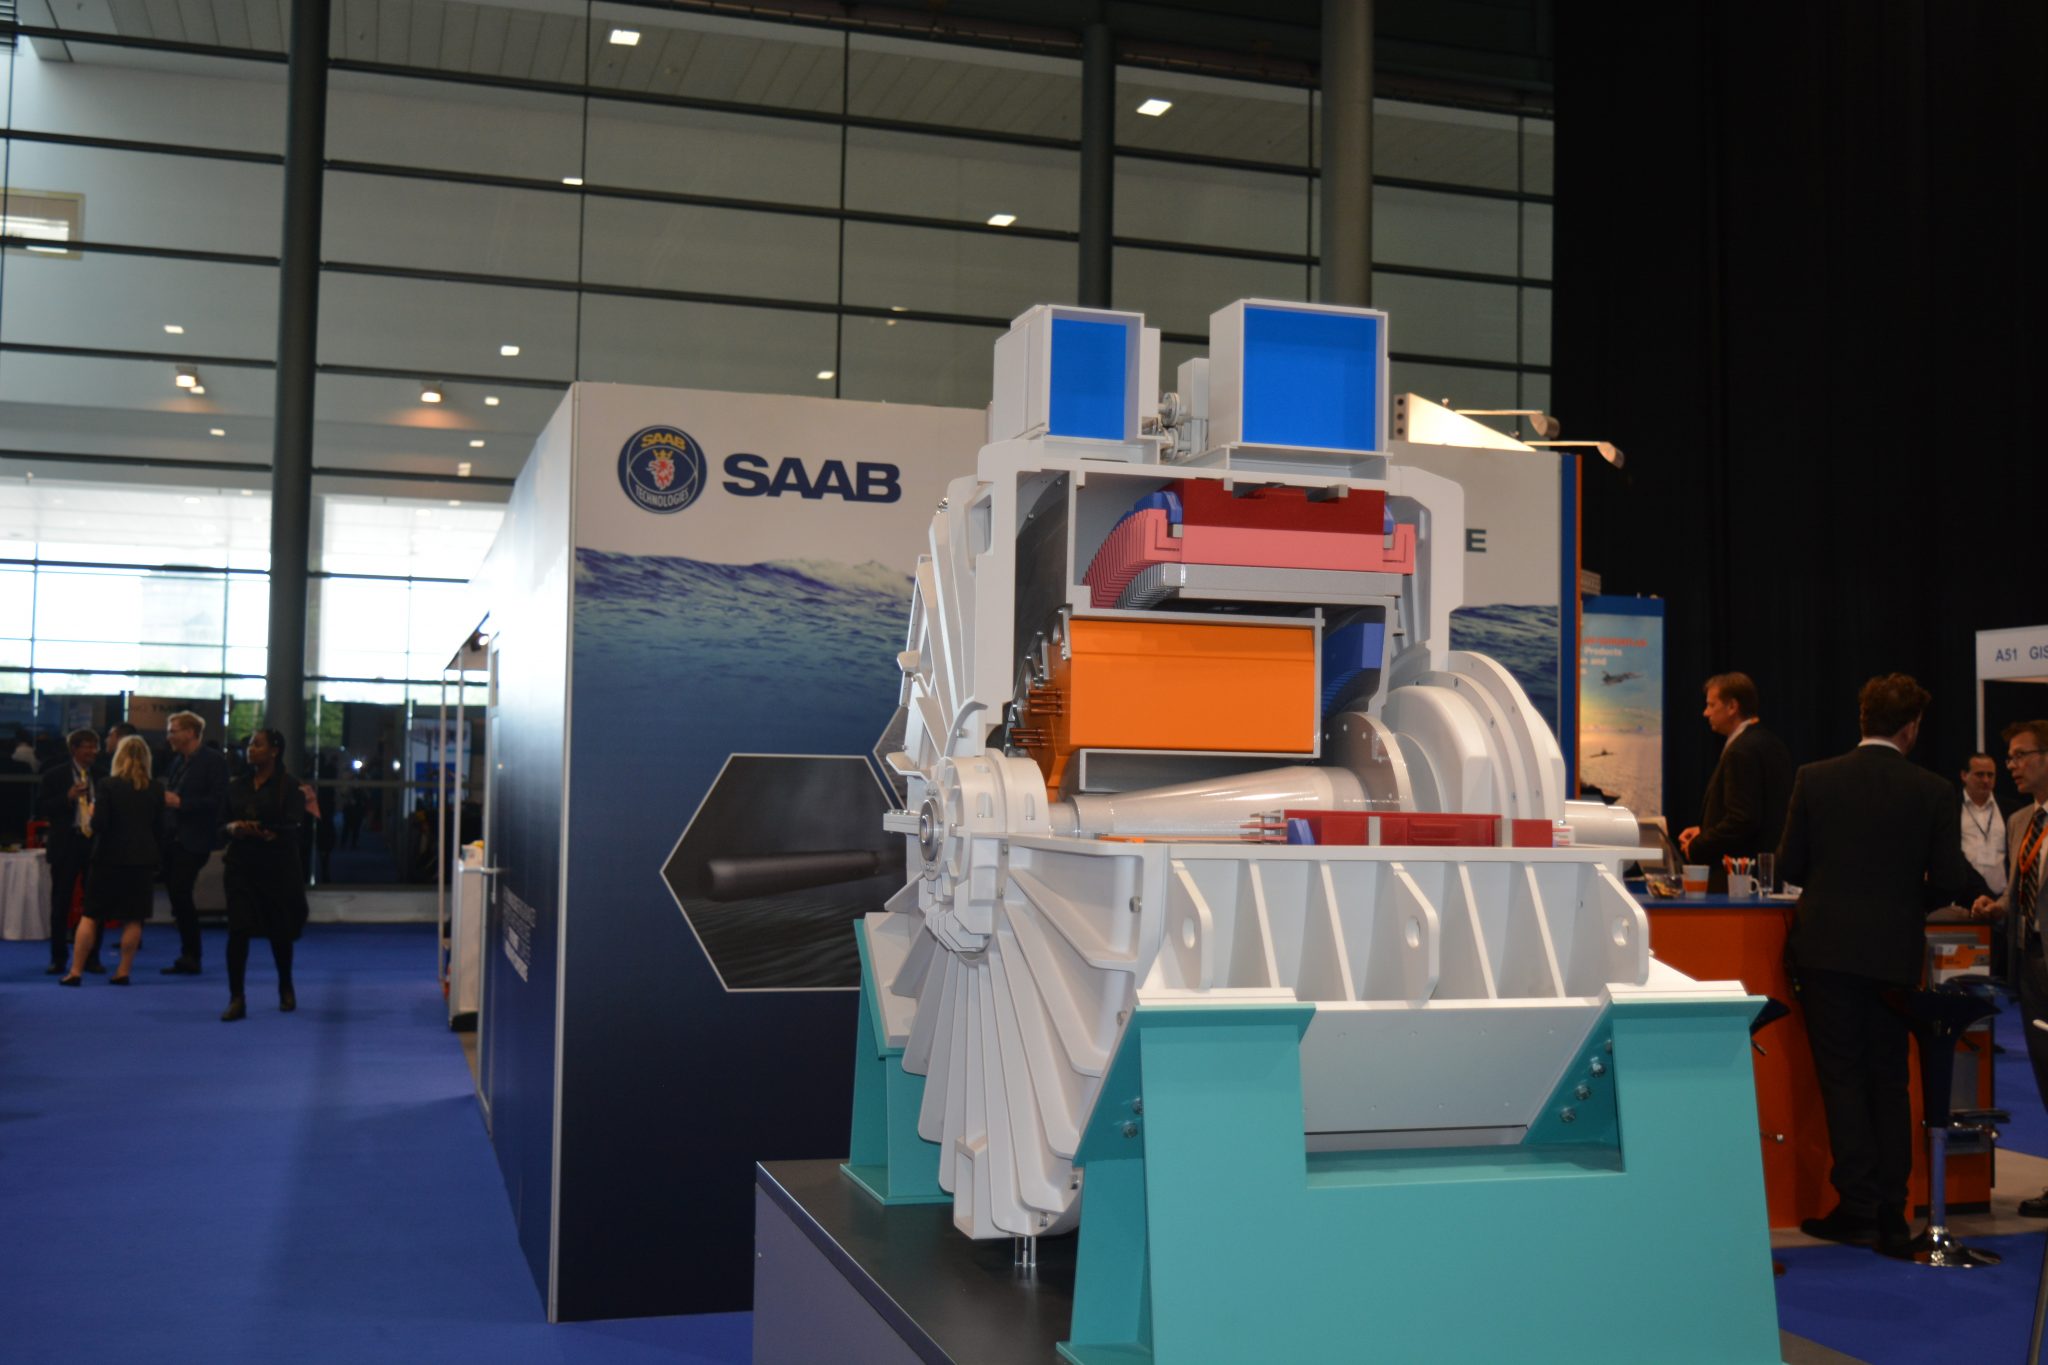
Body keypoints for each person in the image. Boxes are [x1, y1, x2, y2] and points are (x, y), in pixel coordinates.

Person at [1778, 673, 1971, 1256]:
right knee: (1890, 1079)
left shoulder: (1815, 778)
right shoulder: (1933, 789)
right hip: (1893, 954)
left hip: (1826, 950)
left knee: (1841, 1077)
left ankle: (1856, 1206)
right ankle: (1892, 1209)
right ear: (1911, 727)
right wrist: (1907, 903)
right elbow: (1951, 878)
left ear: (1863, 719)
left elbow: (1790, 866)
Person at [1972, 720, 2048, 1215]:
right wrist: (1997, 907)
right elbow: (2017, 890)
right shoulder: (2021, 820)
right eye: (2011, 758)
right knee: (2045, 1071)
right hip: (2031, 963)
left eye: (2022, 756)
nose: (2012, 766)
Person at [219, 728, 314, 1022]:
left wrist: (265, 831)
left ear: (274, 751)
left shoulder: (291, 786)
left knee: (279, 932)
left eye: (257, 745)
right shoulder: (236, 786)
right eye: (249, 744)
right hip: (240, 866)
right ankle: (236, 998)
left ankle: (285, 986)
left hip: (277, 869)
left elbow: (294, 826)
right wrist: (233, 828)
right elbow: (220, 822)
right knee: (237, 931)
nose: (251, 749)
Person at [59, 736, 169, 986]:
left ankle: (75, 971)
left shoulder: (108, 785)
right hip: (141, 860)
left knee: (91, 915)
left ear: (118, 757)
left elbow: (99, 825)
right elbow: (160, 829)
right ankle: (123, 971)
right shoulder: (155, 789)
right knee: (134, 918)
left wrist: (93, 812)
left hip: (108, 858)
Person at [1677, 672, 1795, 892]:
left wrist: (1698, 846)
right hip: (1768, 876)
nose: (1705, 712)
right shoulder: (1771, 743)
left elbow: (1742, 819)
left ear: (1732, 706)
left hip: (1739, 883)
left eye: (1711, 705)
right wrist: (1705, 829)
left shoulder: (1741, 750)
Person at [160, 711, 230, 975]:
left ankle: (192, 954)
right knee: (178, 895)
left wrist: (181, 803)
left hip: (195, 839)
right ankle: (189, 953)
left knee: (180, 892)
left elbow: (218, 800)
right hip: (174, 838)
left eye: (173, 731)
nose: (169, 736)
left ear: (190, 733)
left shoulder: (213, 761)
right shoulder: (178, 762)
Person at [35, 730, 100, 975]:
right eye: (87, 746)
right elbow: (41, 807)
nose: (92, 751)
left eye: (95, 747)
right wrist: (68, 797)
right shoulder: (54, 775)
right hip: (66, 843)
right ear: (74, 748)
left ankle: (92, 957)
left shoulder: (103, 776)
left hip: (94, 844)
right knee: (61, 902)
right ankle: (58, 958)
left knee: (94, 903)